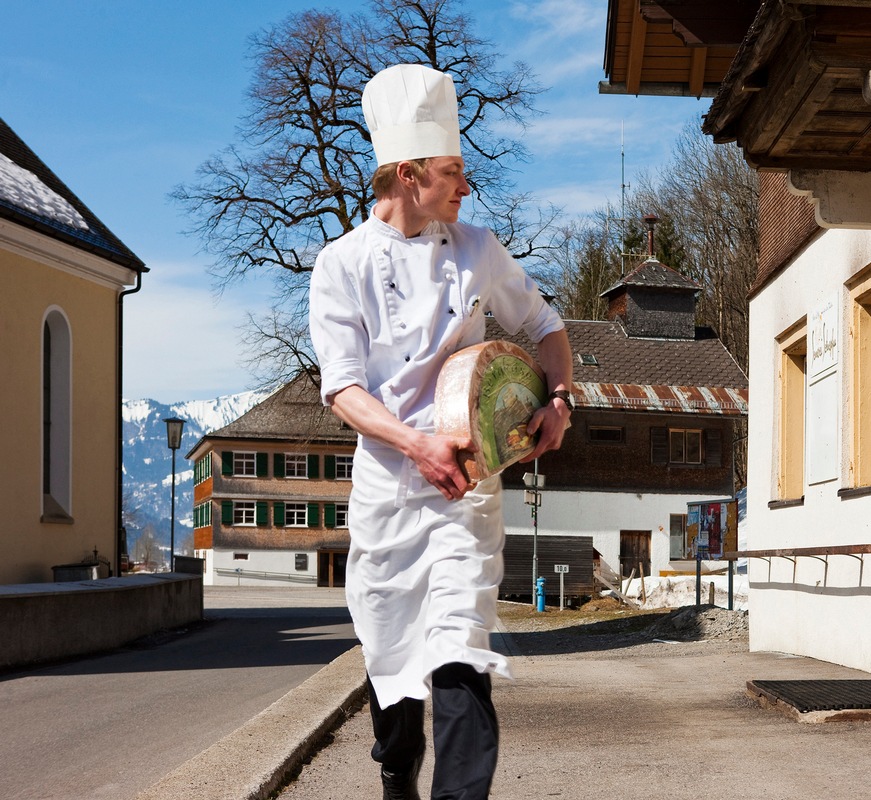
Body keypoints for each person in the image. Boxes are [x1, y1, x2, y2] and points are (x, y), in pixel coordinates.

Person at [308, 64, 573, 799]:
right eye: (452, 172)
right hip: (390, 497)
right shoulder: (342, 265)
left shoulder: (477, 249)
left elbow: (546, 326)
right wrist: (415, 443)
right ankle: (397, 770)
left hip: (464, 491)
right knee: (393, 671)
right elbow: (344, 388)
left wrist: (560, 396)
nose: (465, 187)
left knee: (459, 657)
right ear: (406, 174)